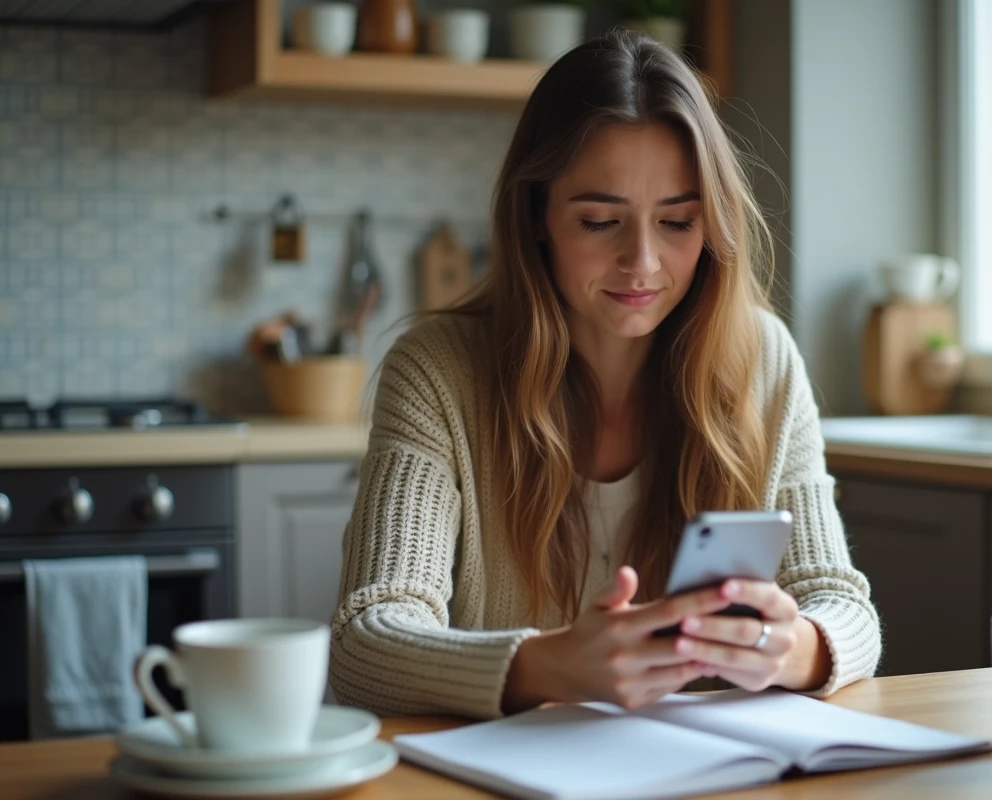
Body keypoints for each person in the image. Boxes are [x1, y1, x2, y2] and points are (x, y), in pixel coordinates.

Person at [329, 31, 881, 720]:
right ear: (536, 216)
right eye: (599, 221)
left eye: (678, 222)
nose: (642, 262)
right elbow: (364, 641)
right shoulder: (438, 371)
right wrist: (550, 664)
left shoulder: (763, 362)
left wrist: (794, 646)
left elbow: (842, 603)